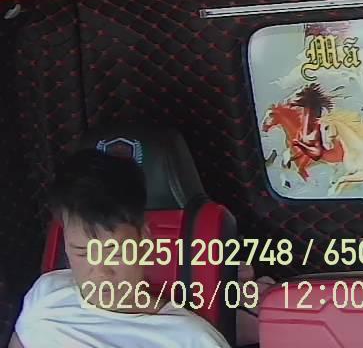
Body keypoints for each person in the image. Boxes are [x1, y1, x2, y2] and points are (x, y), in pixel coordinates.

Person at [10, 148, 229, 348]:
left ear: (144, 240)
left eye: (114, 252)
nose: (101, 272)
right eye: (81, 252)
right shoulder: (46, 295)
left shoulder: (191, 340)